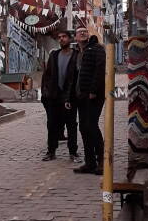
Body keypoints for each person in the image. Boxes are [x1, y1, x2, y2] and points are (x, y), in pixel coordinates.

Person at [41, 30, 80, 162]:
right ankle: (51, 151)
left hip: (69, 97)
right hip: (54, 96)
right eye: (59, 37)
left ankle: (73, 153)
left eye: (64, 37)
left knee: (71, 125)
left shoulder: (76, 55)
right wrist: (46, 93)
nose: (61, 39)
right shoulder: (54, 55)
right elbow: (47, 75)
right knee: (52, 125)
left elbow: (78, 77)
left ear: (70, 39)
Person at [73, 27, 106, 175]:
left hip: (93, 95)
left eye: (85, 31)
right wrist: (70, 96)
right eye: (79, 31)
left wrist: (93, 90)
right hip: (80, 96)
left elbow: (100, 69)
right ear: (75, 37)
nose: (83, 32)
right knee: (84, 128)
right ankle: (89, 162)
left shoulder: (96, 48)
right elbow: (75, 76)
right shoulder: (78, 53)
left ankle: (102, 162)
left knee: (92, 126)